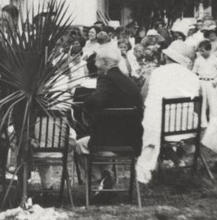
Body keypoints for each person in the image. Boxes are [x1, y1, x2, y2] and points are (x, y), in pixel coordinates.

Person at [74, 45, 144, 191]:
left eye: (97, 60)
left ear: (105, 62)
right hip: (131, 141)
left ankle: (97, 183)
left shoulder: (106, 79)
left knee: (80, 145)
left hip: (110, 142)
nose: (94, 63)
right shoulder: (127, 82)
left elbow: (94, 102)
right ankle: (106, 176)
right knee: (99, 137)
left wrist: (86, 107)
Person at [137, 40, 200, 184]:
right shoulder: (193, 76)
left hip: (163, 127)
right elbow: (197, 101)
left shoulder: (156, 73)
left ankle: (173, 159)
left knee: (149, 124)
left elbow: (143, 96)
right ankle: (178, 159)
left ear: (166, 57)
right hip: (187, 128)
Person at [193, 40, 217, 127]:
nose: (201, 52)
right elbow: (194, 73)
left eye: (203, 50)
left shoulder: (215, 59)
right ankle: (203, 123)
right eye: (199, 50)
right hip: (201, 82)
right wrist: (197, 84)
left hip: (211, 82)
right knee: (202, 103)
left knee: (213, 103)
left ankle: (214, 123)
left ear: (209, 50)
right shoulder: (198, 60)